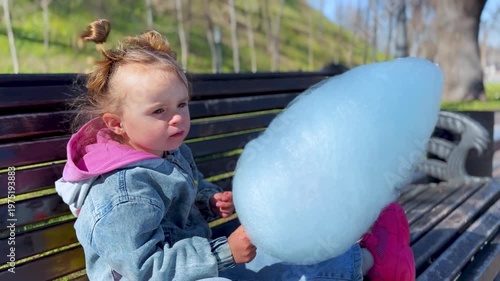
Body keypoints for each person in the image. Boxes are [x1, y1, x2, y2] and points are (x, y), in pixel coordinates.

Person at [55, 19, 415, 281]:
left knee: (274, 247)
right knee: (276, 272)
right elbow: (144, 268)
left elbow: (187, 190)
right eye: (159, 112)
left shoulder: (163, 151)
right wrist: (224, 251)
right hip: (170, 273)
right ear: (117, 124)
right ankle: (370, 262)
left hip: (196, 258)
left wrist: (210, 201)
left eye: (182, 105)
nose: (177, 119)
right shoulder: (122, 193)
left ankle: (359, 249)